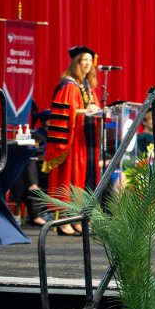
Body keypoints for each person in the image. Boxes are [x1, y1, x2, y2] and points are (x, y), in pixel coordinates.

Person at [42, 45, 101, 236]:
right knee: (69, 179)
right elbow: (65, 114)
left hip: (86, 141)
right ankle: (62, 221)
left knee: (81, 181)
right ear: (76, 62)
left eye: (90, 61)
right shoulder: (68, 85)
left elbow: (94, 108)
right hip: (72, 141)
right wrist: (86, 111)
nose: (87, 64)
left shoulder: (87, 87)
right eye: (84, 60)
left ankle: (77, 218)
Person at [9, 109, 51, 226]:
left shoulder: (51, 134)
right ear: (46, 122)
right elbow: (36, 156)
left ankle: (40, 214)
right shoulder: (38, 135)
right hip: (40, 169)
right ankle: (35, 214)